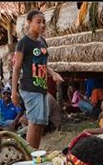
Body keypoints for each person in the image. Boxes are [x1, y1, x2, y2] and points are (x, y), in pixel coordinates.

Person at [11, 9, 64, 149]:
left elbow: (43, 65)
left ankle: (35, 153)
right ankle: (30, 155)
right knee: (34, 122)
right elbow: (16, 68)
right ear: (29, 23)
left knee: (40, 122)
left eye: (44, 22)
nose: (42, 25)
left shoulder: (42, 42)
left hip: (41, 87)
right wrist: (13, 92)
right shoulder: (23, 43)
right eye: (38, 22)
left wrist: (53, 74)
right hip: (29, 87)